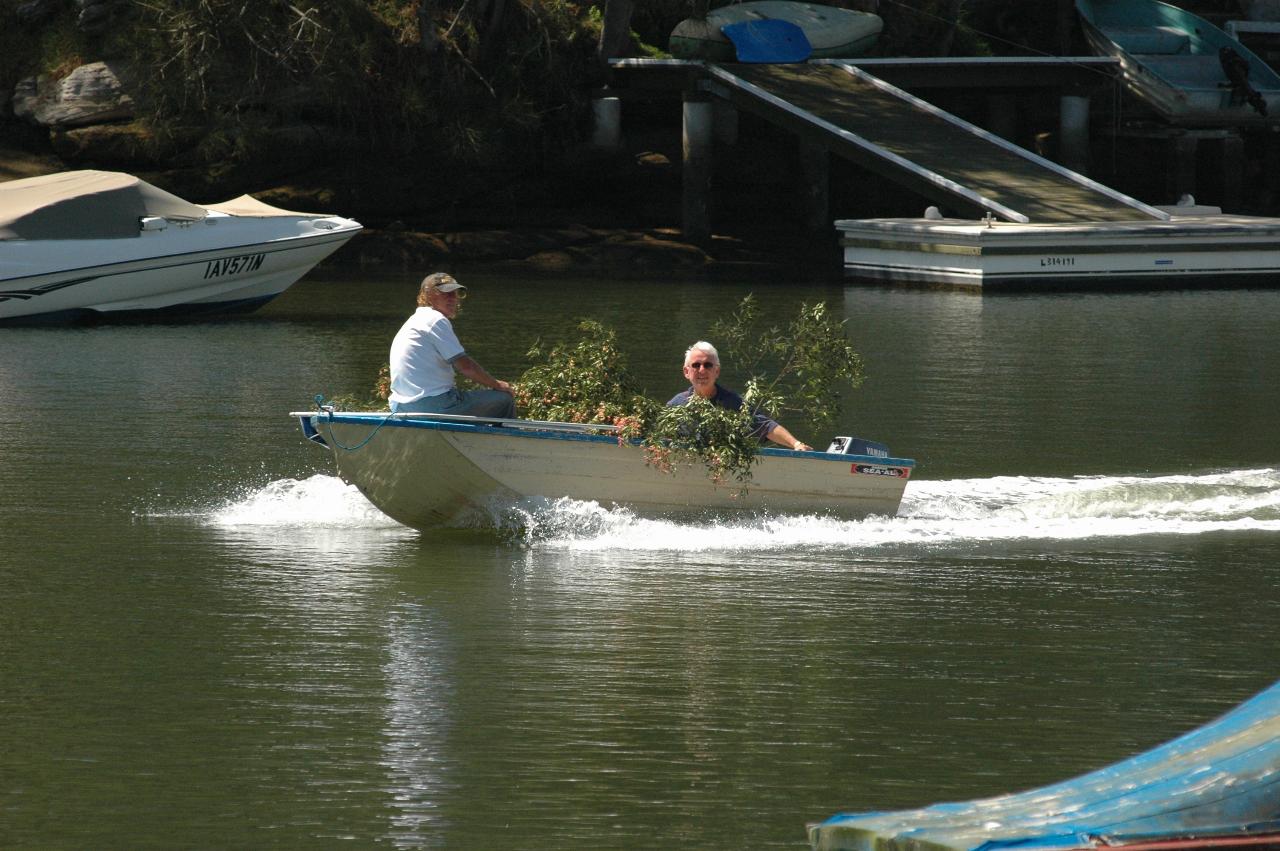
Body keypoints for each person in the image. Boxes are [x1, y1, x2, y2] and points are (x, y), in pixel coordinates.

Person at [388, 272, 516, 418]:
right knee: (504, 399)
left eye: (455, 293)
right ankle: (503, 440)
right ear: (428, 295)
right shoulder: (435, 320)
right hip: (434, 406)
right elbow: (466, 367)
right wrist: (497, 385)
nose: (453, 298)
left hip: (401, 407)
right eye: (445, 293)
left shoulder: (414, 321)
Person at [665, 341, 813, 451]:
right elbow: (660, 438)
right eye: (696, 365)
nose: (702, 370)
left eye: (708, 365)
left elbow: (766, 426)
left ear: (716, 371)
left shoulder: (733, 402)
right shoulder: (676, 404)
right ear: (686, 372)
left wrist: (796, 444)